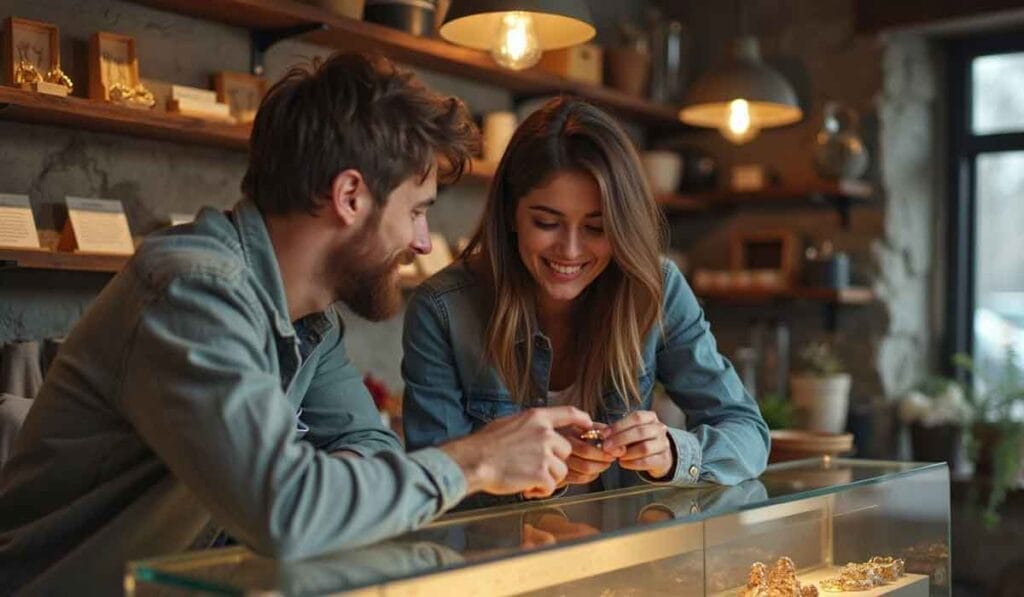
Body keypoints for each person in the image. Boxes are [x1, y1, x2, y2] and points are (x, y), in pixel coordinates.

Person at [0, 53, 592, 594]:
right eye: (415, 211)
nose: (418, 241)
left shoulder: (312, 324)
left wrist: (320, 488)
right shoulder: (194, 291)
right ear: (351, 196)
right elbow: (288, 512)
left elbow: (370, 451)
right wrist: (476, 460)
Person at [402, 98, 769, 502]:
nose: (570, 250)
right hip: (499, 559)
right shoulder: (442, 308)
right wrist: (537, 477)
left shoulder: (654, 288)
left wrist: (673, 453)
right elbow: (430, 484)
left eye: (597, 227)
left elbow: (748, 434)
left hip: (623, 554)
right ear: (509, 213)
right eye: (547, 223)